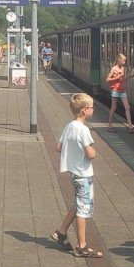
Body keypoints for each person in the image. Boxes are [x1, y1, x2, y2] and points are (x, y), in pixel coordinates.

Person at [50, 93, 104, 258]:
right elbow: (90, 154)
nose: (93, 110)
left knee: (79, 203)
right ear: (84, 110)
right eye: (92, 107)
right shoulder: (84, 130)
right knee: (83, 210)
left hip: (73, 172)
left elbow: (59, 147)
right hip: (83, 174)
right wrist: (93, 151)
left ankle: (61, 232)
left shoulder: (70, 126)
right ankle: (82, 246)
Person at [106, 53, 134, 133]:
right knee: (114, 107)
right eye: (123, 60)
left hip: (122, 90)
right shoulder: (114, 69)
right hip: (115, 90)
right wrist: (117, 77)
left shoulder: (123, 69)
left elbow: (122, 80)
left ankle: (130, 127)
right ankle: (110, 126)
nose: (124, 62)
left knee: (127, 107)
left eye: (125, 61)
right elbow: (108, 80)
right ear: (119, 60)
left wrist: (130, 76)